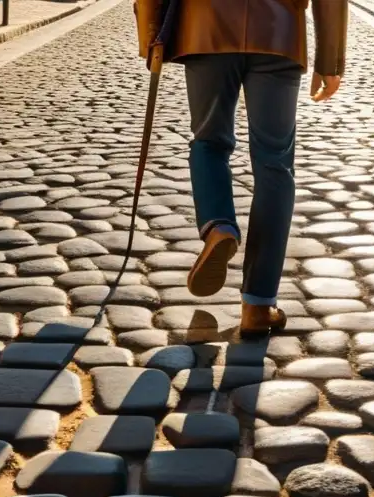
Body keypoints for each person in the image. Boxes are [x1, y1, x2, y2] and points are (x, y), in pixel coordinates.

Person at [135, 0, 348, 335]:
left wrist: (150, 33)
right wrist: (330, 58)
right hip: (279, 32)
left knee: (208, 141)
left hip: (205, 27)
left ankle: (219, 226)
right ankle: (258, 305)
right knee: (275, 164)